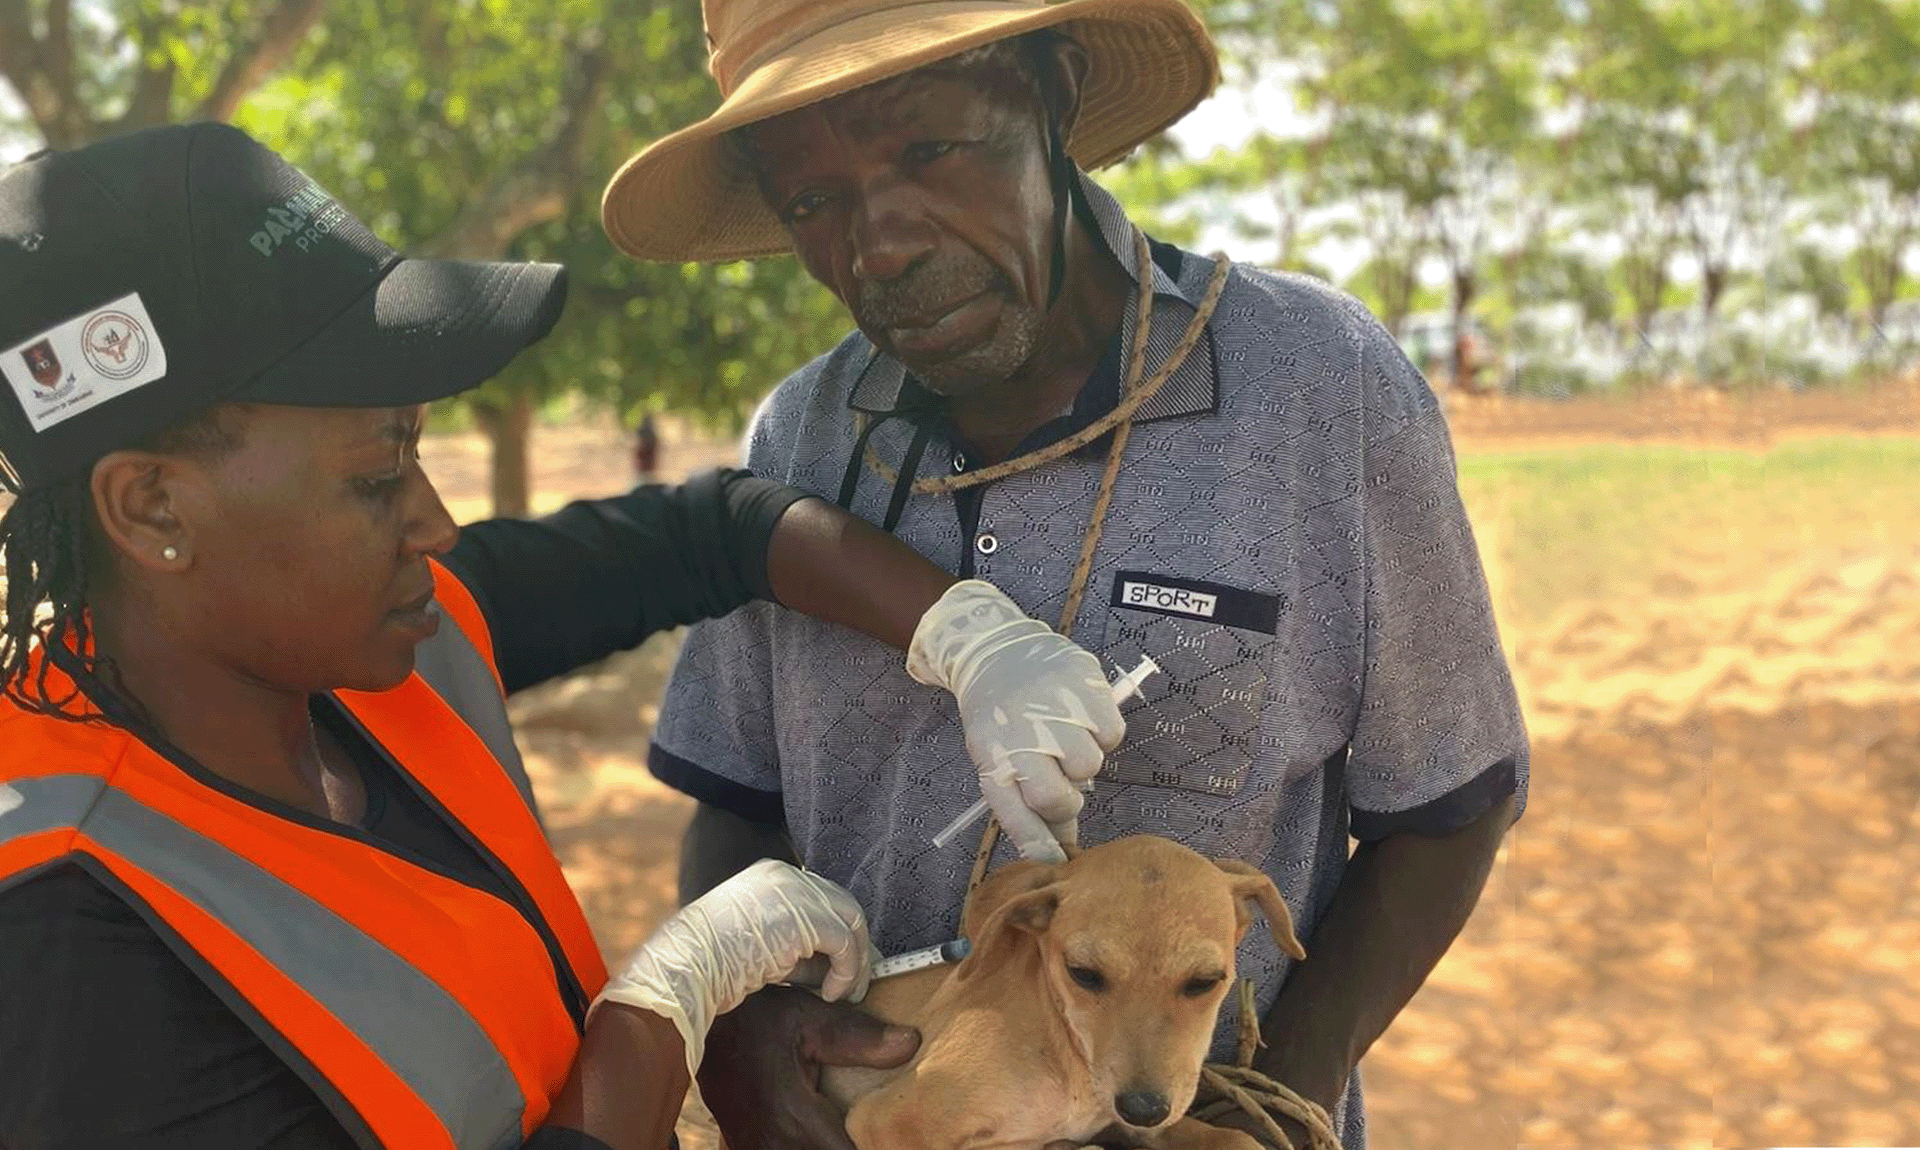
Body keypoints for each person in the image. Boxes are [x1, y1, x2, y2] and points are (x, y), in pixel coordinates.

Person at [0, 123, 1129, 1150]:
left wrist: (966, 634)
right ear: (153, 507)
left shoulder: (381, 642)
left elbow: (712, 531)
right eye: (378, 475)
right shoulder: (66, 924)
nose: (435, 521)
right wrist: (662, 1008)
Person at [600, 0, 1530, 1146]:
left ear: (1052, 91)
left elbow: (1449, 808)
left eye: (928, 149)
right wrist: (748, 1027)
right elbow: (737, 799)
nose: (877, 244)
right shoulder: (805, 439)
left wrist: (1274, 1101)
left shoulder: (1319, 392)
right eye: (812, 201)